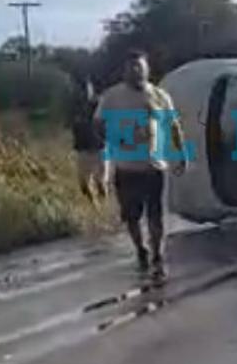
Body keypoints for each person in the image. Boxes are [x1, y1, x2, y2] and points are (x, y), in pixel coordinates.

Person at [95, 50, 187, 280]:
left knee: (156, 215)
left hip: (154, 166)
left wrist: (182, 153)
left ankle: (157, 252)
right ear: (124, 71)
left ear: (147, 69)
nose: (135, 71)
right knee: (132, 216)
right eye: (131, 67)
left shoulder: (159, 96)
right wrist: (113, 139)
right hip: (126, 167)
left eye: (139, 67)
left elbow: (174, 125)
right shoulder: (112, 97)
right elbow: (97, 124)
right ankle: (140, 249)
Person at [70, 77, 108, 209]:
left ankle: (104, 207)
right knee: (83, 184)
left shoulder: (99, 104)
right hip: (83, 149)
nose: (84, 92)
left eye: (86, 89)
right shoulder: (74, 107)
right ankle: (95, 206)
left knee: (100, 182)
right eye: (81, 90)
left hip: (99, 147)